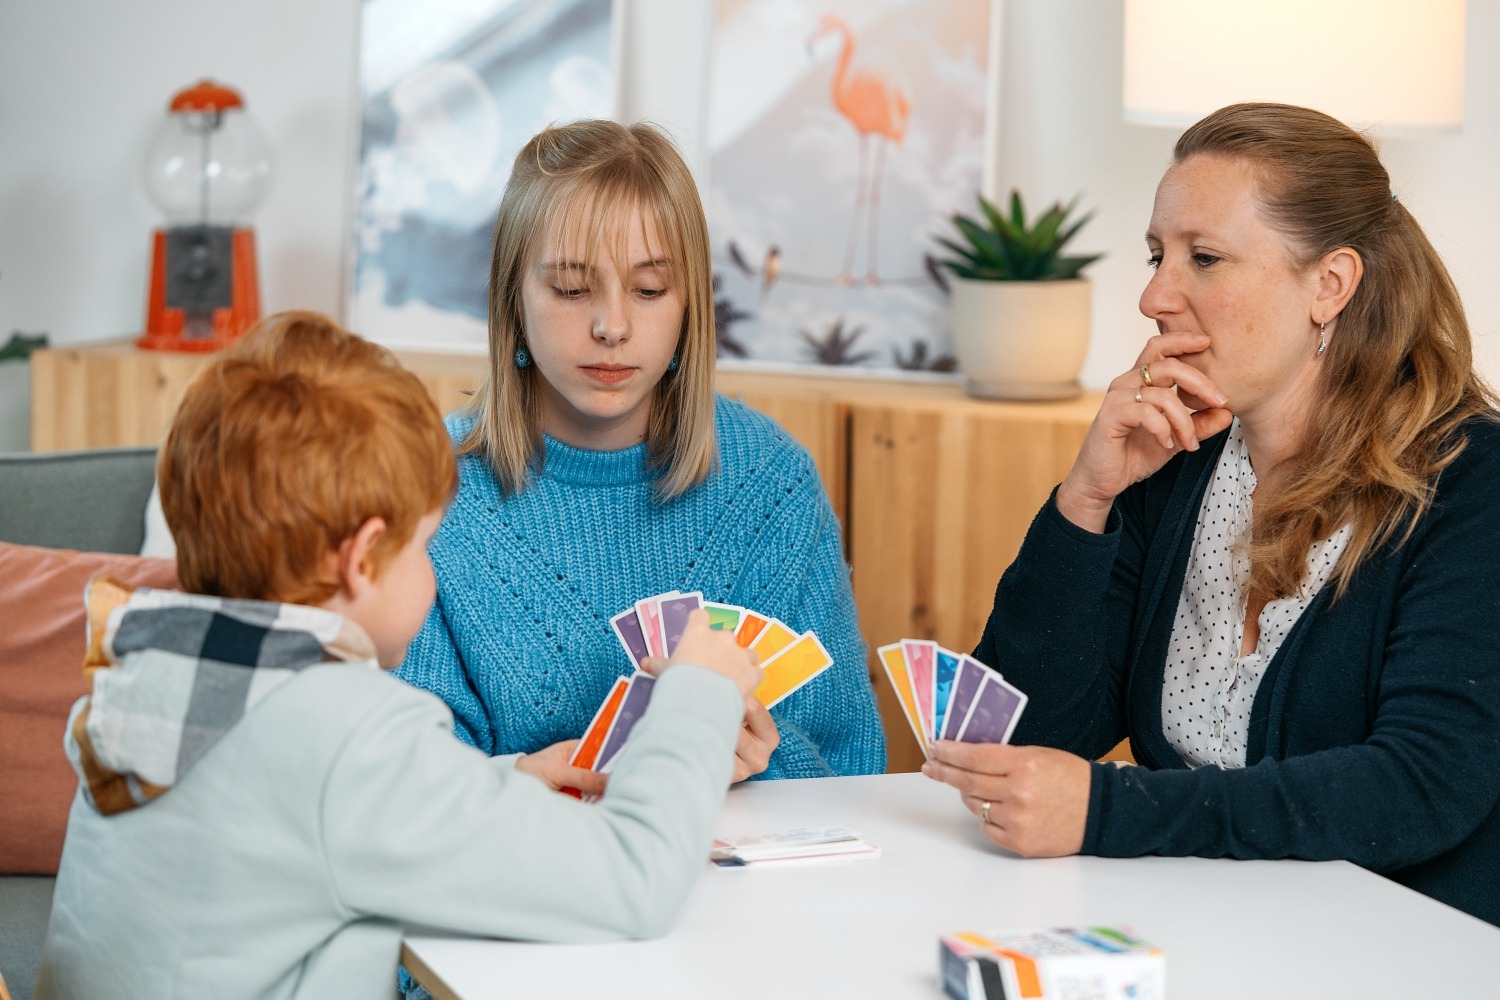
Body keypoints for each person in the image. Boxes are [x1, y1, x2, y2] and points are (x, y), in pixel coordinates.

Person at [35, 312, 762, 1000]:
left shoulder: (149, 670)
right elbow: (634, 882)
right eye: (422, 545)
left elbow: (289, 817)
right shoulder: (348, 737)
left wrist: (501, 780)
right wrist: (699, 692)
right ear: (359, 560)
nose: (431, 572)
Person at [922, 103, 1500, 927]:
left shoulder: (1472, 480)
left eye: (1206, 258)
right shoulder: (1180, 462)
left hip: (1396, 953)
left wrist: (1110, 811)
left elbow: (1421, 786)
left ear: (1330, 286)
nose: (1156, 296)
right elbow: (1023, 735)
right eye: (1159, 255)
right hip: (1200, 932)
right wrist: (1086, 502)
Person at [395, 120, 885, 781]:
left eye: (649, 290)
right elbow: (407, 786)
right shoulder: (431, 492)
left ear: (689, 308)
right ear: (512, 299)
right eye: (571, 288)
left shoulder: (774, 485)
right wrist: (511, 783)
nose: (613, 326)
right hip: (521, 867)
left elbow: (852, 773)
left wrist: (765, 761)